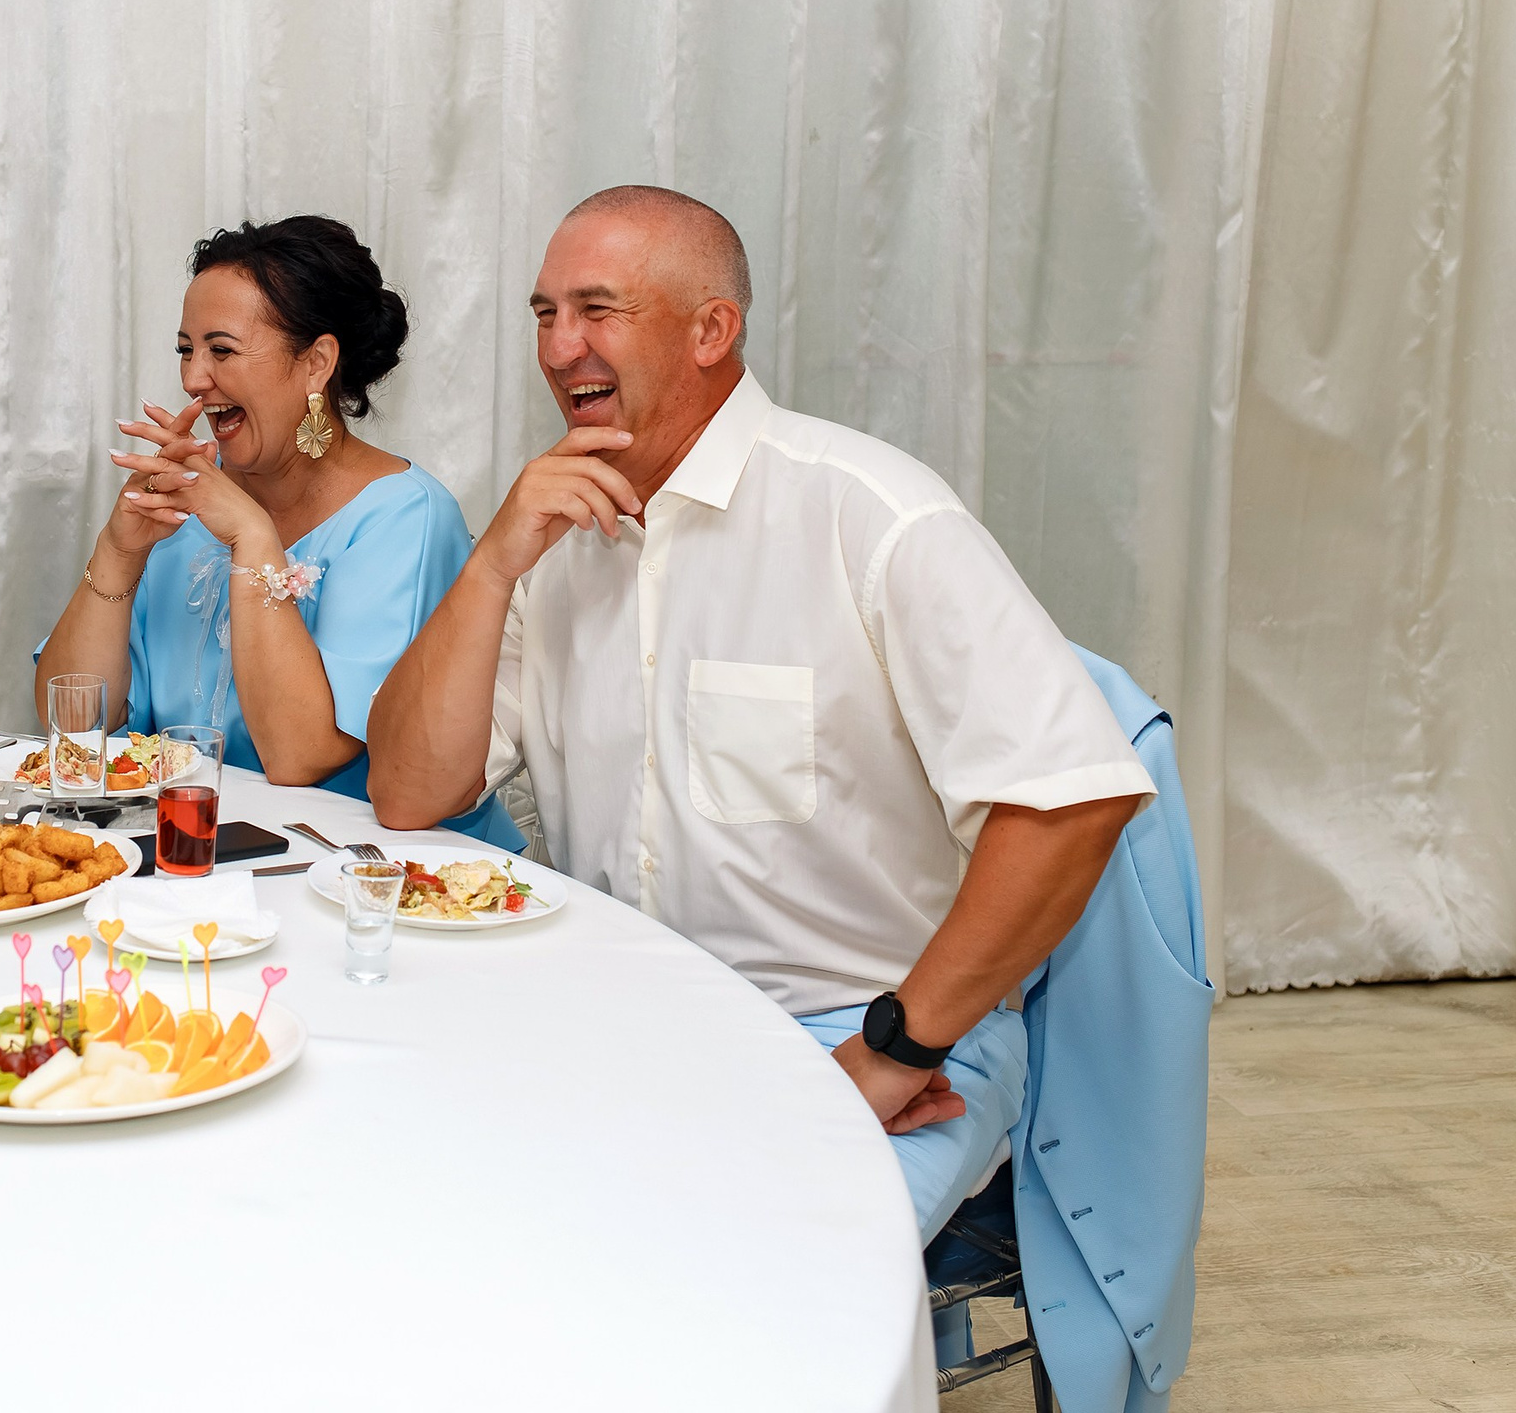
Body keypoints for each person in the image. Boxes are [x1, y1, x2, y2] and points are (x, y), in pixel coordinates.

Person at [366, 185, 1154, 1240]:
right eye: (544, 314)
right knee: (429, 1205)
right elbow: (409, 793)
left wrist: (896, 1046)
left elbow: (1070, 801)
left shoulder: (869, 512)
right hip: (620, 1020)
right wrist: (494, 563)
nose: (559, 348)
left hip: (865, 1037)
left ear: (711, 330)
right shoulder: (552, 533)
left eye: (596, 310)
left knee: (743, 1269)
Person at [40, 216, 520, 846]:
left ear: (316, 363)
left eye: (221, 350)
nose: (193, 378)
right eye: (186, 349)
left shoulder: (405, 517)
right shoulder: (183, 508)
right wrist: (118, 551)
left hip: (368, 871)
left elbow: (300, 756)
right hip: (195, 853)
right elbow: (73, 729)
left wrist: (253, 538)